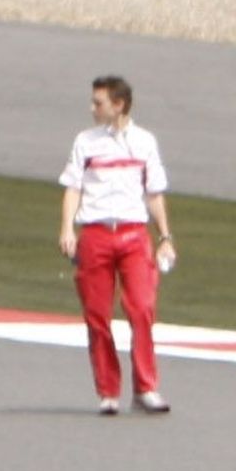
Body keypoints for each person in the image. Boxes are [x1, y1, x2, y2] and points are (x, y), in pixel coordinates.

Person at [55, 75, 178, 415]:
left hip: (134, 234)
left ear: (119, 104)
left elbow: (154, 193)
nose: (92, 108)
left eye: (99, 103)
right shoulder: (86, 141)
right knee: (97, 315)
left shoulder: (144, 142)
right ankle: (108, 391)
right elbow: (73, 187)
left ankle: (146, 387)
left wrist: (165, 236)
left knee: (141, 309)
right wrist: (67, 228)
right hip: (95, 234)